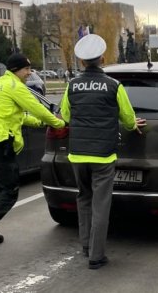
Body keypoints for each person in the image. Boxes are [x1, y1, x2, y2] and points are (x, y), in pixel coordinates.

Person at [60, 34, 146, 269]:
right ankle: (96, 256)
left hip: (77, 154)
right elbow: (128, 118)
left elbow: (66, 116)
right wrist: (132, 126)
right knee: (101, 204)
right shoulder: (113, 85)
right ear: (102, 58)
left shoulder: (72, 86)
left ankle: (86, 245)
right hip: (103, 156)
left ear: (82, 62)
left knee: (83, 198)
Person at [0, 53, 65, 251]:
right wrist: (58, 122)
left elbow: (11, 114)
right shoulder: (16, 87)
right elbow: (37, 108)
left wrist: (38, 123)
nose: (29, 73)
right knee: (9, 191)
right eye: (26, 69)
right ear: (15, 70)